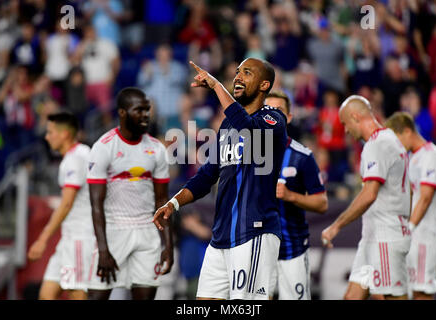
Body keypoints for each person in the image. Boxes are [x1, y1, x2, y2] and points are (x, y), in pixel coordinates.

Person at [153, 57, 287, 300]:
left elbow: (248, 130)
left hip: (253, 231)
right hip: (221, 236)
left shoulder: (273, 119)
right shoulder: (226, 125)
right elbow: (206, 176)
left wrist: (217, 87)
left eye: (246, 73)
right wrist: (173, 204)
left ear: (264, 85)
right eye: (237, 72)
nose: (237, 77)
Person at [86, 87, 173, 300]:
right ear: (122, 113)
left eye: (147, 110)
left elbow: (162, 201)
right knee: (97, 297)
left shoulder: (157, 149)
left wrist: (167, 245)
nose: (145, 115)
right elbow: (96, 204)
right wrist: (104, 250)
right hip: (114, 231)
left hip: (147, 232)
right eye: (139, 110)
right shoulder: (103, 147)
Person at [321, 95, 411, 300]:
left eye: (344, 123)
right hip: (374, 237)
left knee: (391, 297)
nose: (344, 130)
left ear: (355, 116)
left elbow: (369, 193)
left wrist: (337, 225)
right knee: (352, 297)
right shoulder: (389, 140)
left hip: (385, 237)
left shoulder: (377, 144)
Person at [264, 91, 328, 300]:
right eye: (268, 111)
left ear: (289, 117)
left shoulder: (302, 156)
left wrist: (291, 196)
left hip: (292, 248)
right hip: (259, 249)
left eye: (279, 111)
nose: (273, 116)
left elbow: (322, 203)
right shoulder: (248, 153)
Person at [28, 111, 95, 300]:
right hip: (68, 239)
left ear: (64, 134)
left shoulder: (74, 160)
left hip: (80, 238)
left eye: (50, 132)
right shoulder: (83, 152)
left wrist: (42, 239)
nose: (47, 137)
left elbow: (66, 204)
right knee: (46, 294)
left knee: (76, 293)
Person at [385, 112, 436, 300]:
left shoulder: (432, 155)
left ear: (408, 131)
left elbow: (425, 197)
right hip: (413, 235)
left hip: (426, 233)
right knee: (407, 290)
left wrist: (409, 228)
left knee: (422, 291)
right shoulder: (412, 158)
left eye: (397, 139)